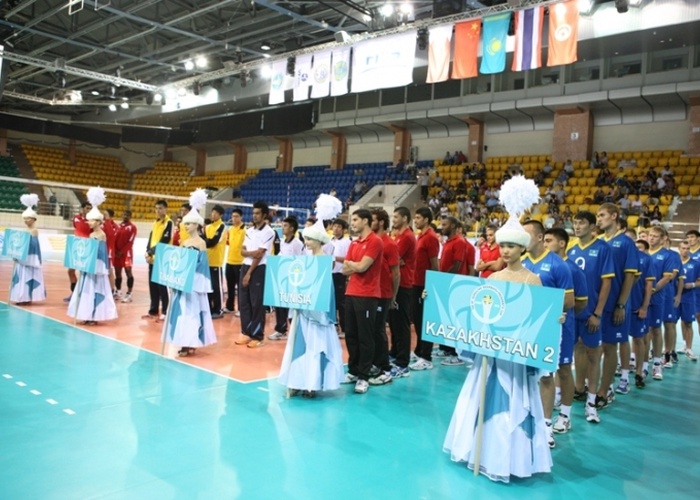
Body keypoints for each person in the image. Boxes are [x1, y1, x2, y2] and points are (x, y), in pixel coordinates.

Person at [443, 175, 553, 483]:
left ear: (522, 248)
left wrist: (551, 320)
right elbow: (478, 315)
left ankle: (506, 459)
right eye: (502, 245)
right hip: (489, 354)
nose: (505, 250)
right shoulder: (492, 278)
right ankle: (481, 452)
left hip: (513, 356)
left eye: (511, 246)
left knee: (509, 403)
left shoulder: (532, 280)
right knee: (482, 399)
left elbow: (536, 320)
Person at [279, 213, 345, 398]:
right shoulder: (305, 259)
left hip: (316, 314)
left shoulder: (324, 261)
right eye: (305, 238)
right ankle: (297, 381)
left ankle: (312, 383)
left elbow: (325, 290)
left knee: (314, 347)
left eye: (309, 239)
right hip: (303, 311)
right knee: (299, 346)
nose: (306, 242)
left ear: (318, 240)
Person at [522, 220, 574, 449]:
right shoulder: (522, 262)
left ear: (540, 237)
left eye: (527, 235)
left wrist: (543, 310)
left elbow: (569, 301)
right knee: (526, 375)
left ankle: (546, 426)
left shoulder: (558, 265)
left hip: (550, 327)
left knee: (546, 376)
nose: (523, 239)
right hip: (525, 328)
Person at [567, 211, 613, 424]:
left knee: (594, 355)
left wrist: (597, 313)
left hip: (591, 313)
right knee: (575, 349)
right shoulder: (570, 248)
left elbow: (606, 283)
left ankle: (592, 402)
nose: (577, 226)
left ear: (592, 226)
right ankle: (577, 389)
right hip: (572, 312)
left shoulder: (603, 248)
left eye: (582, 223)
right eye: (575, 222)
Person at [163, 190, 217, 357]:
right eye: (185, 223)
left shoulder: (201, 243)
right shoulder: (185, 242)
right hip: (183, 282)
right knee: (183, 312)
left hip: (193, 283)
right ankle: (184, 341)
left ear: (196, 225)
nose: (185, 226)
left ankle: (191, 342)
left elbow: (202, 266)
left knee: (192, 312)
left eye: (189, 223)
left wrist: (193, 278)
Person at [595, 204, 638, 403]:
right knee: (594, 347)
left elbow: (631, 276)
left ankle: (605, 390)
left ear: (614, 216)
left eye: (602, 215)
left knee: (610, 346)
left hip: (615, 305)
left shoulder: (626, 243)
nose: (599, 219)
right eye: (597, 215)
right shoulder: (599, 242)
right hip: (598, 304)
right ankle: (592, 386)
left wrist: (621, 304)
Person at [341, 208, 383, 394]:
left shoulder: (375, 241)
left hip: (367, 295)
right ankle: (353, 370)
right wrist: (354, 266)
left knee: (365, 336)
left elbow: (363, 267)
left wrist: (354, 265)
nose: (352, 223)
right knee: (351, 334)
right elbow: (345, 270)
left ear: (365, 221)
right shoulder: (354, 243)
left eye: (355, 220)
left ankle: (364, 376)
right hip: (351, 293)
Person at [67, 188, 117, 325]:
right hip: (88, 267)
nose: (88, 223)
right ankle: (86, 313)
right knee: (87, 289)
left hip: (96, 268)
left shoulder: (101, 235)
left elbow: (101, 253)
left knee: (95, 288)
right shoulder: (91, 234)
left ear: (98, 222)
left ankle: (94, 314)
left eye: (91, 221)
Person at [235, 200, 276, 348]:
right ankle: (246, 332)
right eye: (253, 213)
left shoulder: (269, 232)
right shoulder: (249, 231)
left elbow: (260, 255)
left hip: (258, 269)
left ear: (264, 215)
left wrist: (249, 273)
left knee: (257, 303)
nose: (255, 216)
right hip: (245, 266)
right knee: (244, 302)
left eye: (258, 213)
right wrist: (252, 253)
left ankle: (258, 336)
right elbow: (242, 251)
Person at [368, 209, 399, 386]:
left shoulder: (389, 244)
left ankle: (385, 369)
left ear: (380, 222)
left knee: (379, 330)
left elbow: (396, 273)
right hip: (372, 293)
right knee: (371, 330)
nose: (369, 222)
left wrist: (393, 296)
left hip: (384, 293)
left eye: (372, 220)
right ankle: (376, 363)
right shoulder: (373, 242)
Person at [433, 216, 469, 367]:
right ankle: (447, 349)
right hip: (448, 284)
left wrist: (444, 280)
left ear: (453, 226)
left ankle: (457, 353)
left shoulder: (459, 242)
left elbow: (457, 264)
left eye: (445, 225)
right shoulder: (448, 242)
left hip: (454, 285)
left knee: (455, 320)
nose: (442, 227)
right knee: (446, 319)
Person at [409, 207, 439, 371]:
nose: (415, 220)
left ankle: (426, 357)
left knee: (424, 321)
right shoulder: (420, 236)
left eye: (418, 217)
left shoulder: (431, 238)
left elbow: (434, 263)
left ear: (427, 219)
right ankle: (419, 351)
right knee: (418, 320)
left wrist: (432, 286)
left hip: (424, 285)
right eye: (415, 217)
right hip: (416, 282)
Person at [388, 206, 416, 379]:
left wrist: (395, 261)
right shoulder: (399, 236)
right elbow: (396, 260)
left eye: (396, 217)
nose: (394, 219)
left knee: (402, 323)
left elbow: (394, 260)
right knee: (394, 322)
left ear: (405, 218)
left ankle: (403, 362)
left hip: (404, 284)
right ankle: (395, 352)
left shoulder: (406, 237)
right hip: (397, 282)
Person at [269, 216, 305, 341]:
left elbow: (301, 260)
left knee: (292, 306)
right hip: (282, 277)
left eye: (285, 226)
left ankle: (295, 330)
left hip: (293, 279)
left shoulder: (297, 244)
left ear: (292, 228)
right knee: (280, 304)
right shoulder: (283, 242)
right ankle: (281, 329)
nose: (282, 228)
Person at [626, 233, 654, 388]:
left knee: (639, 339)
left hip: (637, 306)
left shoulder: (646, 259)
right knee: (619, 341)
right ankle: (624, 372)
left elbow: (649, 285)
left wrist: (644, 306)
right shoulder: (621, 256)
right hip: (621, 306)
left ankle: (639, 372)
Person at [10, 194, 46, 305]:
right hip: (22, 258)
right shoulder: (23, 231)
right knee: (21, 277)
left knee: (28, 277)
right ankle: (21, 297)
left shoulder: (34, 231)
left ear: (34, 219)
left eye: (28, 218)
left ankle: (26, 297)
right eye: (25, 218)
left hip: (28, 259)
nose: (26, 220)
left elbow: (34, 246)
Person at [143, 200, 173, 322]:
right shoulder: (155, 223)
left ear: (166, 209)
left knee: (162, 286)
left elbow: (164, 240)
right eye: (156, 208)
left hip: (163, 258)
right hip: (153, 259)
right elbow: (151, 239)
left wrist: (151, 252)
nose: (158, 211)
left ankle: (166, 311)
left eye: (160, 208)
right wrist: (148, 252)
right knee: (153, 285)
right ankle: (153, 310)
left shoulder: (169, 223)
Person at [66, 201, 91, 302]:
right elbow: (76, 228)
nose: (89, 210)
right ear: (82, 208)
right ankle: (74, 293)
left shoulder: (92, 220)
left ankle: (82, 295)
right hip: (76, 247)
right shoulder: (76, 218)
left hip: (86, 247)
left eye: (90, 208)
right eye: (87, 208)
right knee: (70, 271)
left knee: (83, 273)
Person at [205, 205, 227, 319]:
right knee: (208, 287)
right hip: (207, 260)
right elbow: (204, 239)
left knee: (217, 287)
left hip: (216, 261)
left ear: (221, 215)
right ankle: (209, 308)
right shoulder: (208, 227)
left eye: (215, 213)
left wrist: (206, 241)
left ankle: (219, 310)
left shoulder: (222, 226)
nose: (213, 215)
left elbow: (213, 241)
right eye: (212, 212)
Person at [330, 218, 351, 339]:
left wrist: (334, 258)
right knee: (331, 302)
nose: (336, 229)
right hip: (330, 274)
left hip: (340, 274)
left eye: (339, 227)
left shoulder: (347, 242)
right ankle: (334, 325)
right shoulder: (329, 241)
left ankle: (345, 327)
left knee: (341, 302)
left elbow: (348, 258)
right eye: (334, 226)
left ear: (343, 229)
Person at [224, 208, 245, 316]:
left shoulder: (245, 230)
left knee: (241, 288)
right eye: (233, 216)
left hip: (240, 262)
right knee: (230, 286)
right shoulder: (230, 229)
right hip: (229, 261)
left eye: (236, 216)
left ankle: (241, 309)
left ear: (241, 217)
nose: (234, 218)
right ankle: (230, 306)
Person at [114, 210, 137, 303]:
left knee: (128, 272)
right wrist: (116, 251)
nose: (125, 216)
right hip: (117, 254)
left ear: (130, 216)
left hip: (126, 253)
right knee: (117, 273)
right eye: (124, 214)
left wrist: (122, 251)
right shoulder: (118, 226)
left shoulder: (133, 227)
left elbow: (130, 242)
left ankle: (129, 293)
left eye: (127, 215)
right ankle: (118, 291)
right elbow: (114, 239)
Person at [102, 208, 119, 297]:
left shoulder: (115, 227)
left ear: (111, 216)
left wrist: (107, 221)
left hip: (109, 251)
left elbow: (110, 235)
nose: (103, 216)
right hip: (101, 250)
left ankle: (112, 290)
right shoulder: (102, 224)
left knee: (109, 271)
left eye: (105, 214)